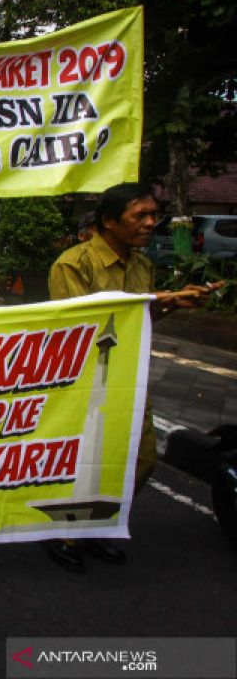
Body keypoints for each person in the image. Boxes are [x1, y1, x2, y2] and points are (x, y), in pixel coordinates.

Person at [44, 182, 211, 572]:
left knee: (141, 457)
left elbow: (141, 317)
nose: (151, 223)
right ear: (108, 221)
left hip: (129, 377)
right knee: (83, 460)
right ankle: (63, 531)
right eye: (141, 215)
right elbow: (79, 325)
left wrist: (172, 304)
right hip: (85, 379)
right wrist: (156, 301)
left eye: (154, 215)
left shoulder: (142, 265)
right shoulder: (73, 264)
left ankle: (92, 525)